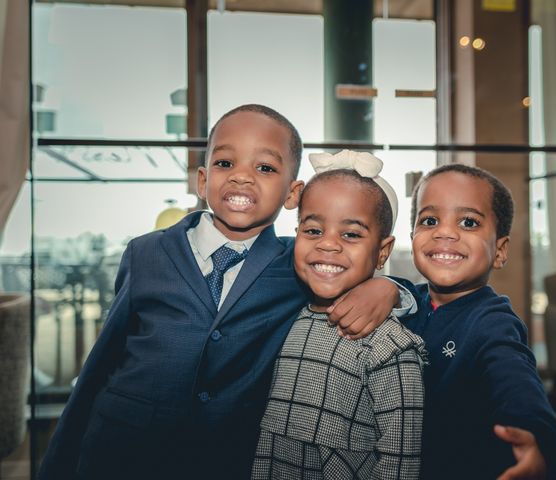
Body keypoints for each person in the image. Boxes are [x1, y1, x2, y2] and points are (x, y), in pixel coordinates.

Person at [39, 105, 413, 480]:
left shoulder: (296, 263)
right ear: (202, 181)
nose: (243, 178)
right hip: (121, 452)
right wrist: (58, 465)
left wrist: (389, 287)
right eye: (225, 164)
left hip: (224, 461)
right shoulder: (145, 252)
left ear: (292, 193)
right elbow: (101, 363)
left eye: (265, 168)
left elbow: (356, 272)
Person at [252, 150, 426, 479]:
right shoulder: (286, 315)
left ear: (382, 251)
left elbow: (401, 458)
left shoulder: (391, 346)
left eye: (351, 234)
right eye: (313, 231)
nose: (328, 245)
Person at [402, 163, 556, 479]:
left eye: (468, 222)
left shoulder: (492, 322)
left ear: (500, 251)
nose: (445, 232)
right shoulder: (404, 301)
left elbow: (515, 380)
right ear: (413, 238)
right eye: (430, 220)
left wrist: (539, 437)